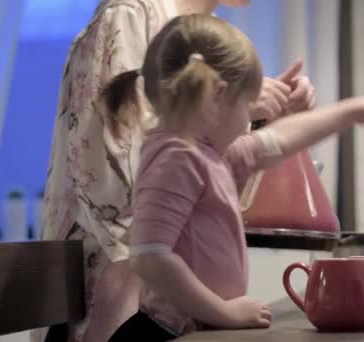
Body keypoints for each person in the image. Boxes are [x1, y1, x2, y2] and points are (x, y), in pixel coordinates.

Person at [102, 13, 364, 341]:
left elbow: (280, 139)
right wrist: (223, 311)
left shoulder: (211, 154)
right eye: (246, 105)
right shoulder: (177, 156)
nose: (251, 117)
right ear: (215, 97)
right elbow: (150, 258)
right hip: (167, 334)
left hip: (197, 331)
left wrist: (348, 112)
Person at [37, 0, 315, 341]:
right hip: (119, 299)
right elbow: (112, 170)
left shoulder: (207, 35)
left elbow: (209, 178)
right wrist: (225, 109)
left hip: (181, 310)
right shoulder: (127, 15)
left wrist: (260, 117)